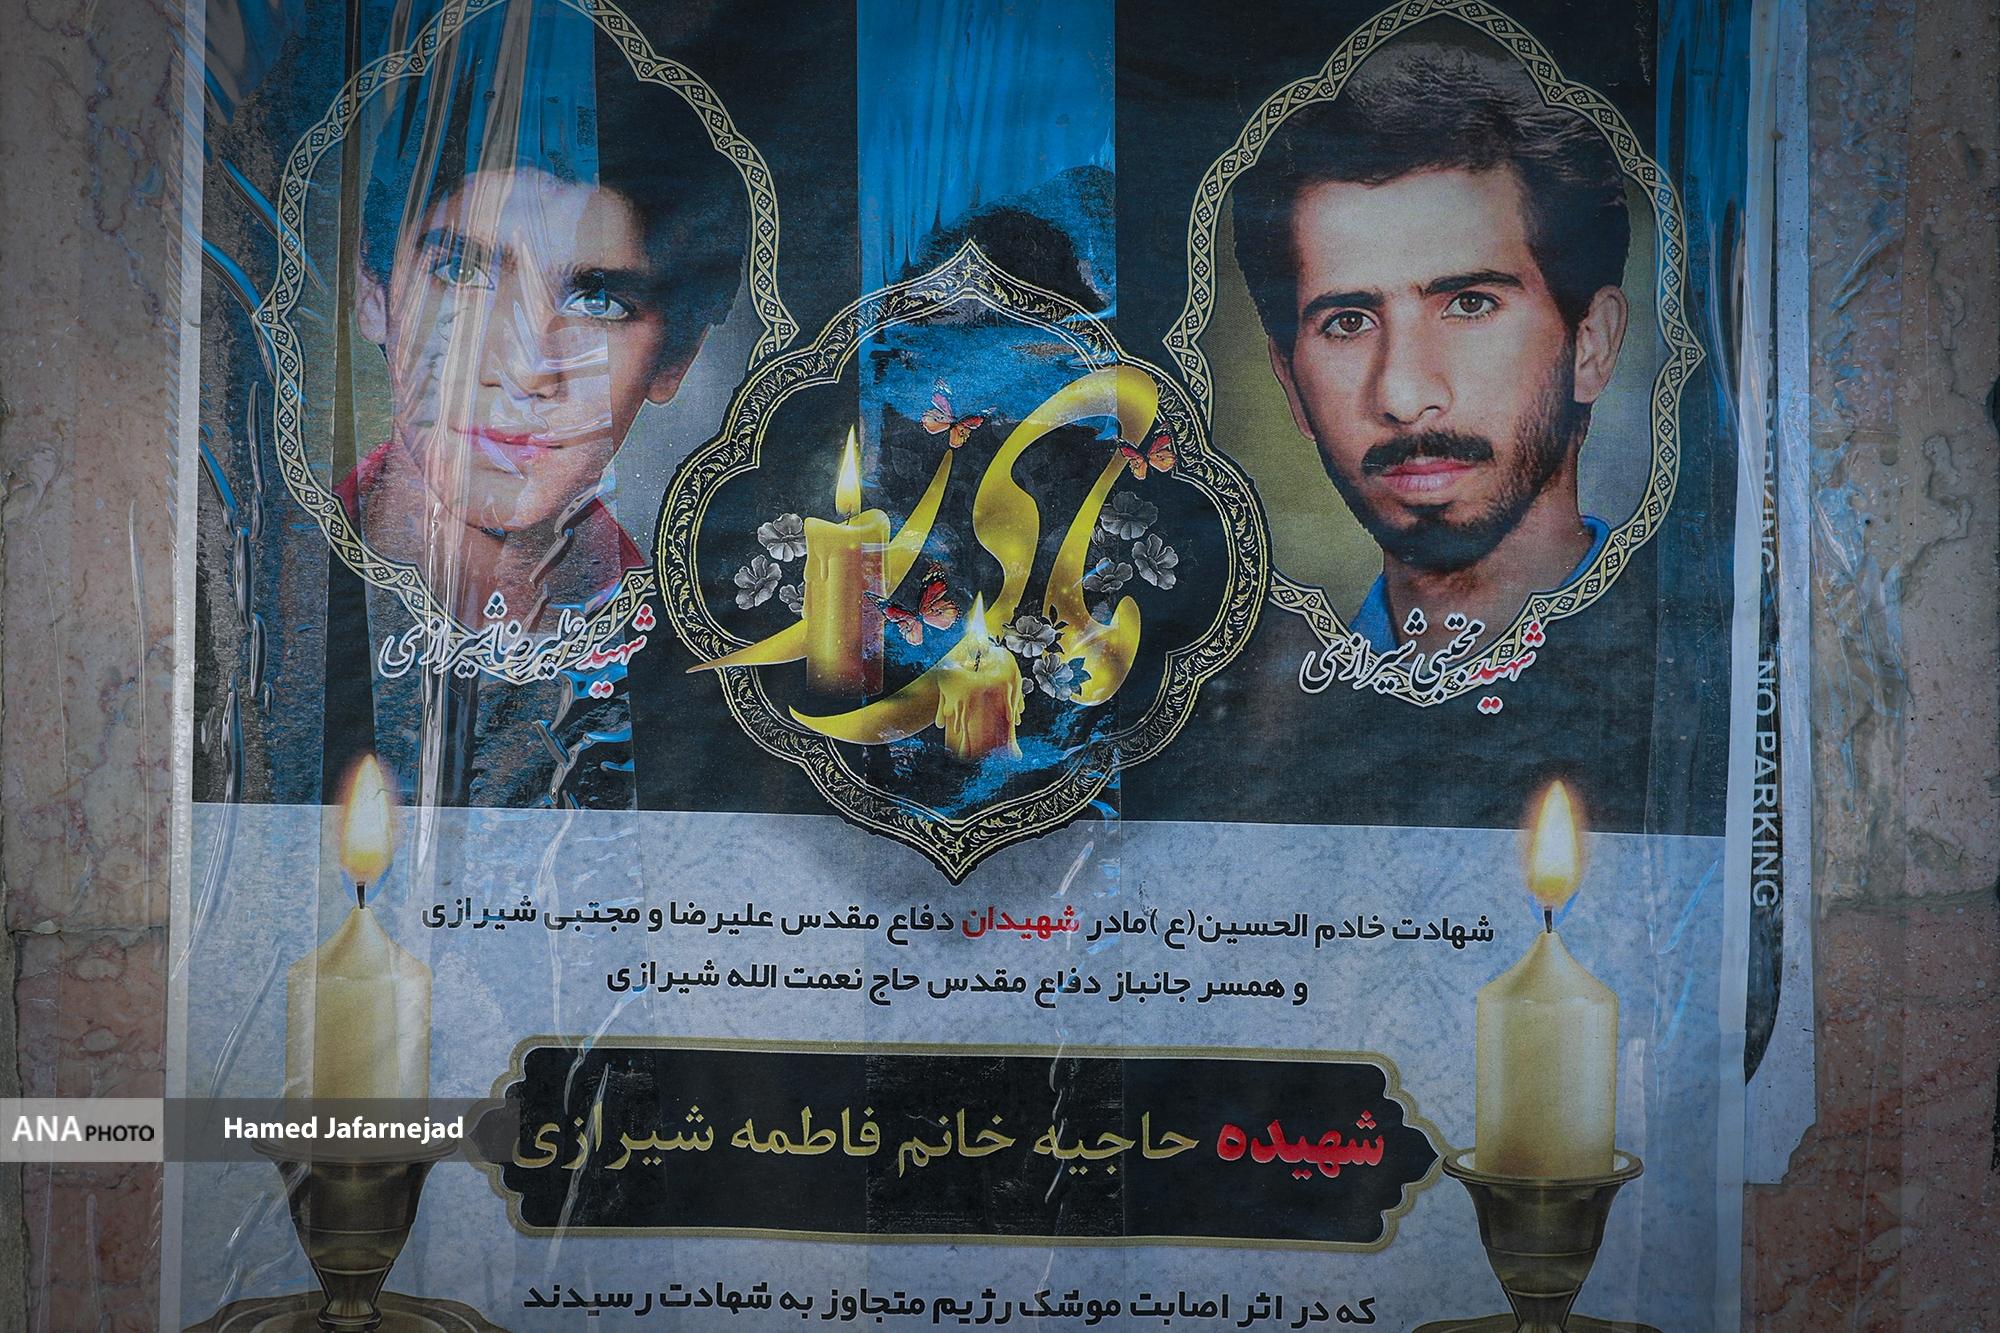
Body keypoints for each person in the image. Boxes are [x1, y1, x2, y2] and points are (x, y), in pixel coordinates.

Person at [320, 19, 748, 809]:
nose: (522, 368)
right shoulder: (268, 611)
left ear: (675, 358)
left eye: (599, 300)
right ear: (373, 289)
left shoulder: (705, 668)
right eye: (461, 270)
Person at [1232, 37, 1632, 655]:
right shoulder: (1263, 698)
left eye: (1470, 304)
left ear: (1591, 345)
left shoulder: (1685, 656)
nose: (1403, 396)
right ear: (1291, 383)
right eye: (1348, 322)